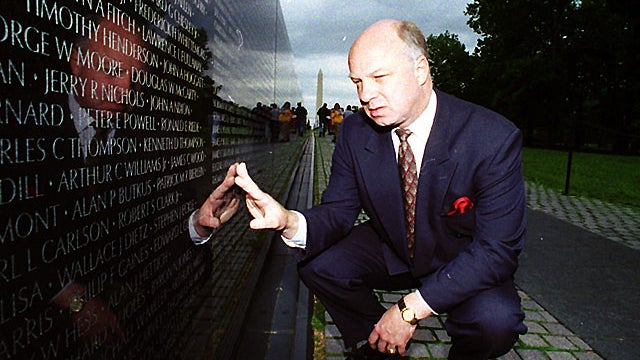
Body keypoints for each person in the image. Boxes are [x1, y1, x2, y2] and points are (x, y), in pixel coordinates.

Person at [234, 19, 527, 360]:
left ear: (420, 70)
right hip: (396, 247)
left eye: (379, 77)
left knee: (496, 322)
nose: (364, 95)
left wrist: (407, 311)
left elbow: (497, 251)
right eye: (357, 81)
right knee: (319, 263)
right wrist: (288, 220)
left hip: (462, 259)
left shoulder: (491, 138)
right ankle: (379, 347)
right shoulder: (356, 132)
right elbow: (338, 211)